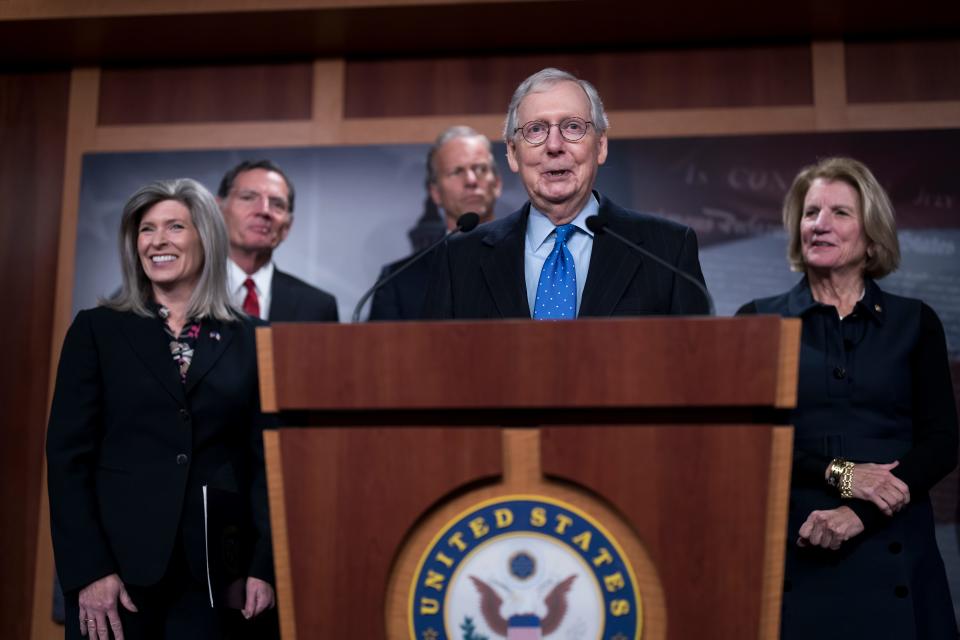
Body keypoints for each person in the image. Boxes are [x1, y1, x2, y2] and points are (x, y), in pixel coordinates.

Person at [737, 157, 958, 638]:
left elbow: (942, 443)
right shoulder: (756, 323)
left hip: (896, 548)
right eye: (811, 212)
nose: (819, 224)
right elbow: (747, 441)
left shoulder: (915, 322)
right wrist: (841, 474)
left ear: (872, 234)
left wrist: (861, 511)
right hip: (799, 552)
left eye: (839, 213)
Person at [47, 179, 277, 639]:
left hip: (217, 580)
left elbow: (266, 464)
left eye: (175, 226)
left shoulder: (253, 338)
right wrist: (90, 571)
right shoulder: (98, 331)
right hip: (116, 579)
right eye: (146, 229)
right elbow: (67, 460)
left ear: (206, 238)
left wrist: (264, 566)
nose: (157, 241)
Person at [423, 68, 709, 319]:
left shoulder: (667, 249)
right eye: (536, 130)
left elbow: (696, 363)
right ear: (512, 153)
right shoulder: (459, 258)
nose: (555, 145)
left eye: (572, 127)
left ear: (600, 146)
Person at [369, 126, 502, 320]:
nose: (471, 180)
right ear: (436, 193)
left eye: (480, 169)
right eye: (457, 171)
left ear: (497, 184)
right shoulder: (396, 282)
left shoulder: (534, 260)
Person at [217, 159, 339, 322]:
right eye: (248, 198)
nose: (264, 211)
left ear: (287, 226)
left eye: (277, 204)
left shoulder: (318, 307)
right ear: (217, 211)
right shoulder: (182, 294)